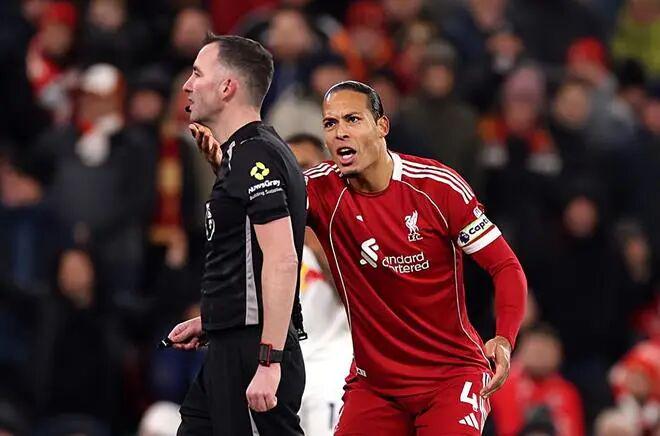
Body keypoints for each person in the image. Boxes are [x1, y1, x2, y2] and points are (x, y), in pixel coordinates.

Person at [194, 80, 526, 434]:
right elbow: (256, 220)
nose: (340, 132)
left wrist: (504, 337)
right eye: (330, 123)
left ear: (382, 126)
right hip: (376, 385)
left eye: (352, 119)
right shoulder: (318, 189)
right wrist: (228, 175)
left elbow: (505, 266)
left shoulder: (437, 187)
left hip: (451, 376)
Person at [165, 34, 307, 435]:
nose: (187, 85)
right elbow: (244, 251)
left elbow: (282, 259)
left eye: (197, 74)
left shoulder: (254, 155)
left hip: (253, 351)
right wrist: (215, 317)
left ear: (227, 87)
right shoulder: (242, 154)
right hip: (230, 341)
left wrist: (269, 361)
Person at [287, 133, 353, 435]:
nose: (297, 177)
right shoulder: (265, 233)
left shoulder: (347, 225)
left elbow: (362, 296)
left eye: (305, 167)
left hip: (332, 369)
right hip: (281, 372)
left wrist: (315, 239)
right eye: (290, 168)